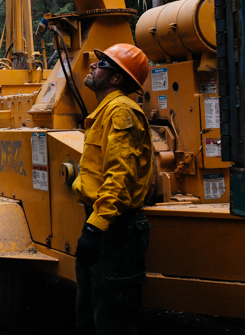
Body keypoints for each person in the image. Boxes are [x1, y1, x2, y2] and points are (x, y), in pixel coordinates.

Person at [72, 43, 153, 335]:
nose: (94, 65)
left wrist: (96, 228)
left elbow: (120, 177)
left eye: (103, 63)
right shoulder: (105, 112)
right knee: (90, 315)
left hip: (115, 230)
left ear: (117, 78)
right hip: (102, 224)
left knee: (112, 320)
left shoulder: (121, 112)